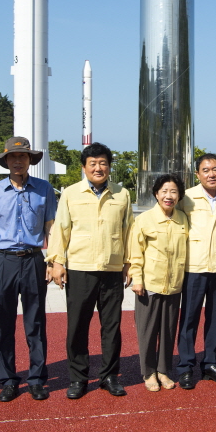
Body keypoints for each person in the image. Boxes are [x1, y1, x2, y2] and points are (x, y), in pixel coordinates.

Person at [46, 142, 134, 399]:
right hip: (80, 268)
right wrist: (57, 262)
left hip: (112, 269)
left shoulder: (122, 194)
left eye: (103, 163)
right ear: (84, 167)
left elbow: (129, 231)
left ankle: (109, 376)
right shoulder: (71, 194)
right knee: (77, 326)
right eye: (93, 163)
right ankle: (78, 377)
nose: (99, 167)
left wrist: (129, 263)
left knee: (111, 326)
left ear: (109, 166)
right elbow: (60, 229)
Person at [0, 137, 58, 403]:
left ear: (30, 161)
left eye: (23, 157)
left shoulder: (44, 189)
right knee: (3, 323)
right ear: (6, 161)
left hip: (34, 259)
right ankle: (9, 379)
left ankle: (36, 379)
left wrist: (53, 259)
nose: (18, 161)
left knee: (35, 322)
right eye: (13, 157)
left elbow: (50, 226)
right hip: (3, 262)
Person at [175, 154, 216, 389]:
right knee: (189, 319)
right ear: (197, 174)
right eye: (206, 170)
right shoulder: (187, 198)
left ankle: (211, 363)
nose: (211, 174)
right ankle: (186, 367)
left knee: (215, 319)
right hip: (193, 267)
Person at [129, 174, 189, 392]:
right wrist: (137, 279)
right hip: (149, 285)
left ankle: (164, 370)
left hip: (174, 285)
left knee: (168, 331)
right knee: (147, 331)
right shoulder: (144, 220)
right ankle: (148, 372)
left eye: (173, 191)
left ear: (179, 195)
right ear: (156, 194)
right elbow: (136, 253)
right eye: (164, 191)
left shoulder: (183, 219)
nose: (168, 196)